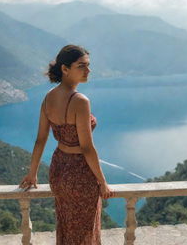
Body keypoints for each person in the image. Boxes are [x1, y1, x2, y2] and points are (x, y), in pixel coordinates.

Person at [19, 44, 115, 244]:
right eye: (82, 66)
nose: (88, 71)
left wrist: (32, 173)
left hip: (59, 170)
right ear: (65, 69)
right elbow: (87, 148)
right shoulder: (80, 101)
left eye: (88, 66)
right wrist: (103, 181)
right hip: (80, 172)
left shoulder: (48, 98)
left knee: (66, 225)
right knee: (86, 230)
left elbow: (40, 139)